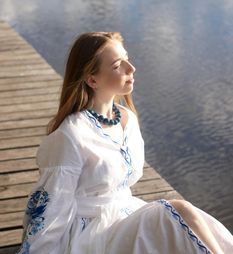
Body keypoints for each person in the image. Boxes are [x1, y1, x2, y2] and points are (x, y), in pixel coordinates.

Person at [16, 31, 233, 254]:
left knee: (197, 224)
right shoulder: (71, 135)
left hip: (125, 214)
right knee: (178, 210)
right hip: (90, 233)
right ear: (92, 80)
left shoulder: (127, 118)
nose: (131, 68)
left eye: (127, 58)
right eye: (118, 65)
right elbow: (52, 206)